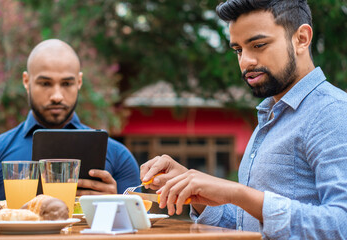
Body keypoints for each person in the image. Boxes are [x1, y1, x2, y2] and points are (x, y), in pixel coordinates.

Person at [140, 0, 347, 239]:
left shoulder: (333, 112)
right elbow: (247, 226)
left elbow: (340, 225)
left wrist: (238, 193)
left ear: (301, 38)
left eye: (258, 45)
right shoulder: (270, 115)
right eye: (238, 50)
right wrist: (194, 190)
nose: (245, 61)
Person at [0, 39, 140, 201]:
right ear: (26, 81)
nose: (57, 96)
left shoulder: (119, 156)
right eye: (45, 83)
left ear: (79, 82)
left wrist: (116, 206)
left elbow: (136, 224)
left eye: (67, 83)